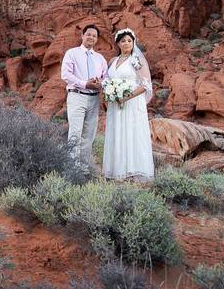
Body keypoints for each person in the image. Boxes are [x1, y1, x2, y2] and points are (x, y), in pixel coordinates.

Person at [102, 28, 154, 181]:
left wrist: (126, 97)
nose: (126, 43)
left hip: (131, 102)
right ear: (118, 43)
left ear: (133, 43)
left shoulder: (136, 60)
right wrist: (110, 93)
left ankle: (134, 170)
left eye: (129, 41)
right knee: (117, 132)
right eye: (123, 41)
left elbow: (145, 84)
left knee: (132, 133)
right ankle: (117, 169)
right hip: (115, 103)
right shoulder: (113, 61)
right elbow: (107, 80)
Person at [60, 24, 108, 175]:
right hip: (77, 96)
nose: (91, 37)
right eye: (88, 34)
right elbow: (66, 75)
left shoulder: (100, 58)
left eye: (94, 36)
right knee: (75, 132)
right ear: (82, 36)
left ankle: (84, 168)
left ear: (97, 39)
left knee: (89, 135)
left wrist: (100, 84)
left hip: (94, 99)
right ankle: (72, 169)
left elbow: (106, 77)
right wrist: (84, 83)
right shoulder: (72, 53)